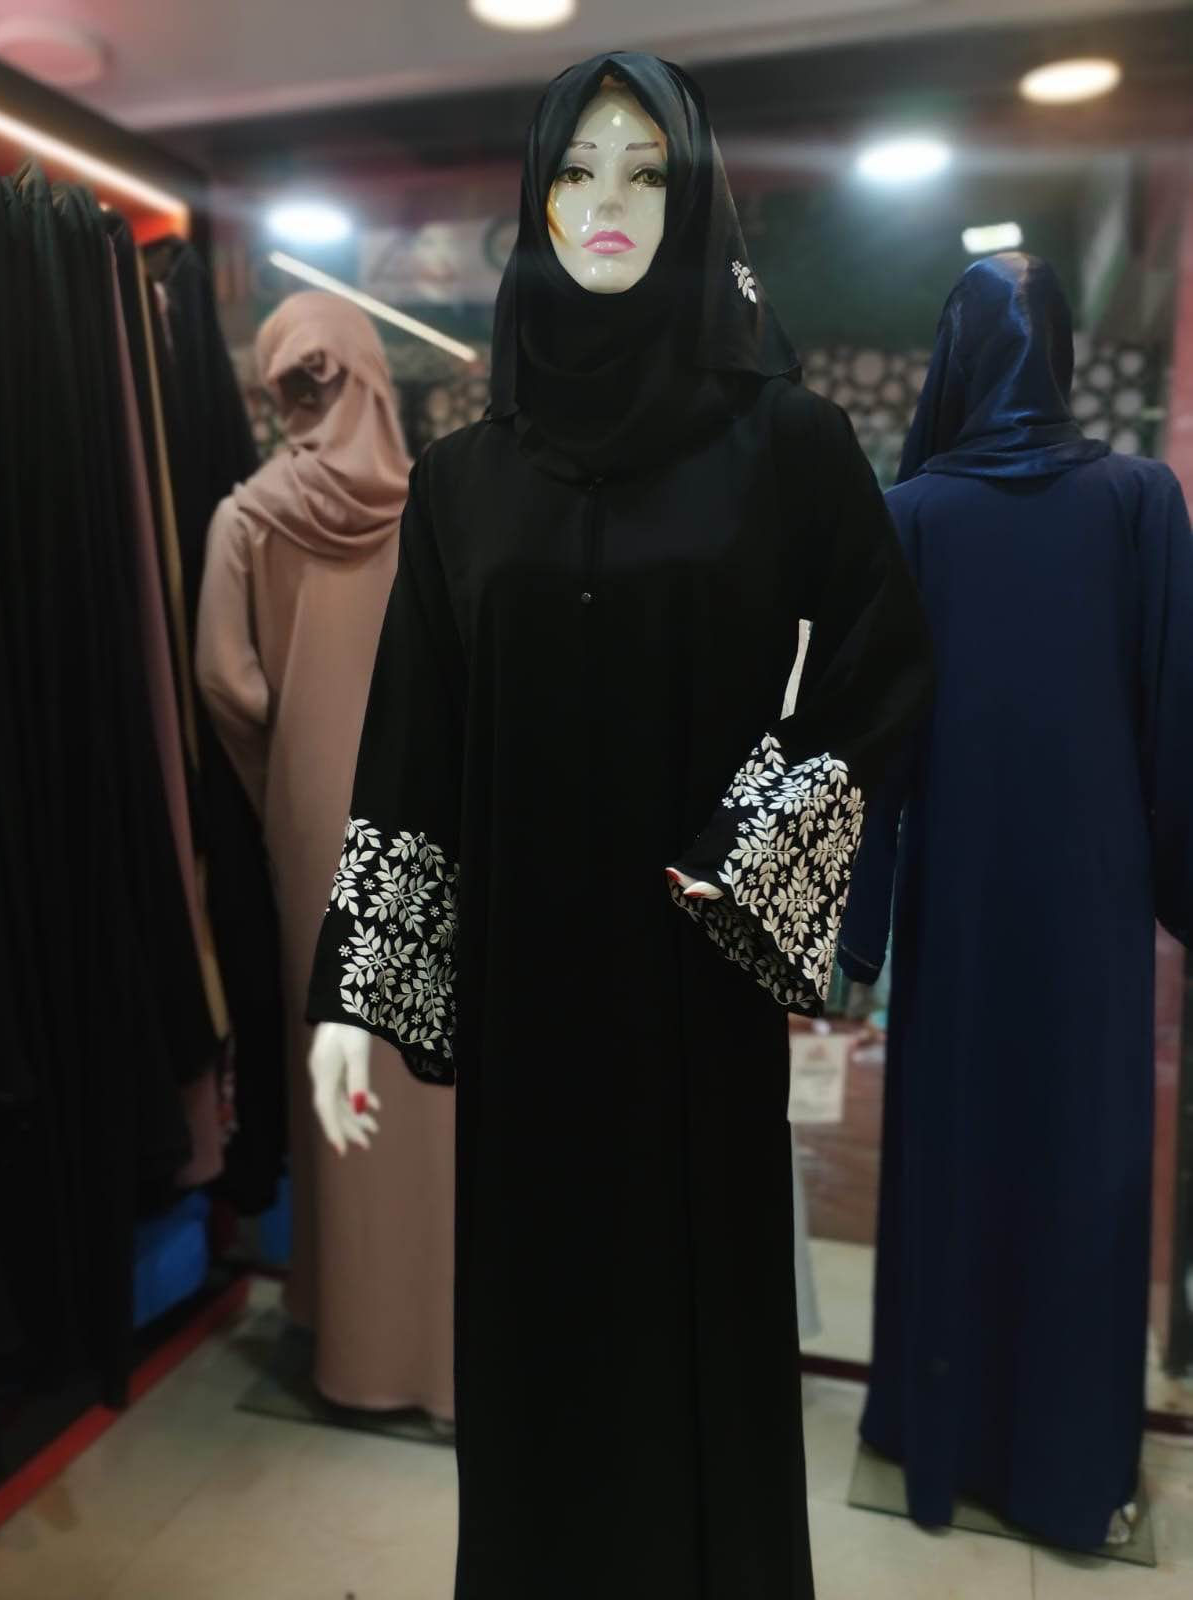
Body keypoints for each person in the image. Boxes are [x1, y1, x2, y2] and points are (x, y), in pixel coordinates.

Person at [308, 52, 932, 1599]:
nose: (609, 204)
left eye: (647, 171)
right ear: (534, 201)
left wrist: (756, 856)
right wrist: (354, 994)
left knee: (694, 1340)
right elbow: (414, 739)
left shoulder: (780, 442)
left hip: (687, 994)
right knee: (541, 1347)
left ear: (697, 197)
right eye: (578, 170)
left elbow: (886, 663)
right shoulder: (462, 482)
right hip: (528, 1003)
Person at [839, 252, 1193, 1551]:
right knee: (1079, 1164)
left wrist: (863, 928)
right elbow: (1175, 716)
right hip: (1089, 913)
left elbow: (874, 751)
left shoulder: (913, 512)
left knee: (956, 1157)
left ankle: (936, 1433)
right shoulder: (1137, 500)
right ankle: (1066, 1466)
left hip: (962, 908)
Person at [197, 292, 455, 1421]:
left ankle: (352, 1339)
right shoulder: (439, 507)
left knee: (340, 1065)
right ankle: (445, 1342)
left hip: (315, 817)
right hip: (429, 812)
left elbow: (227, 683)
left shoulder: (247, 518)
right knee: (433, 1077)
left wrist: (285, 776)